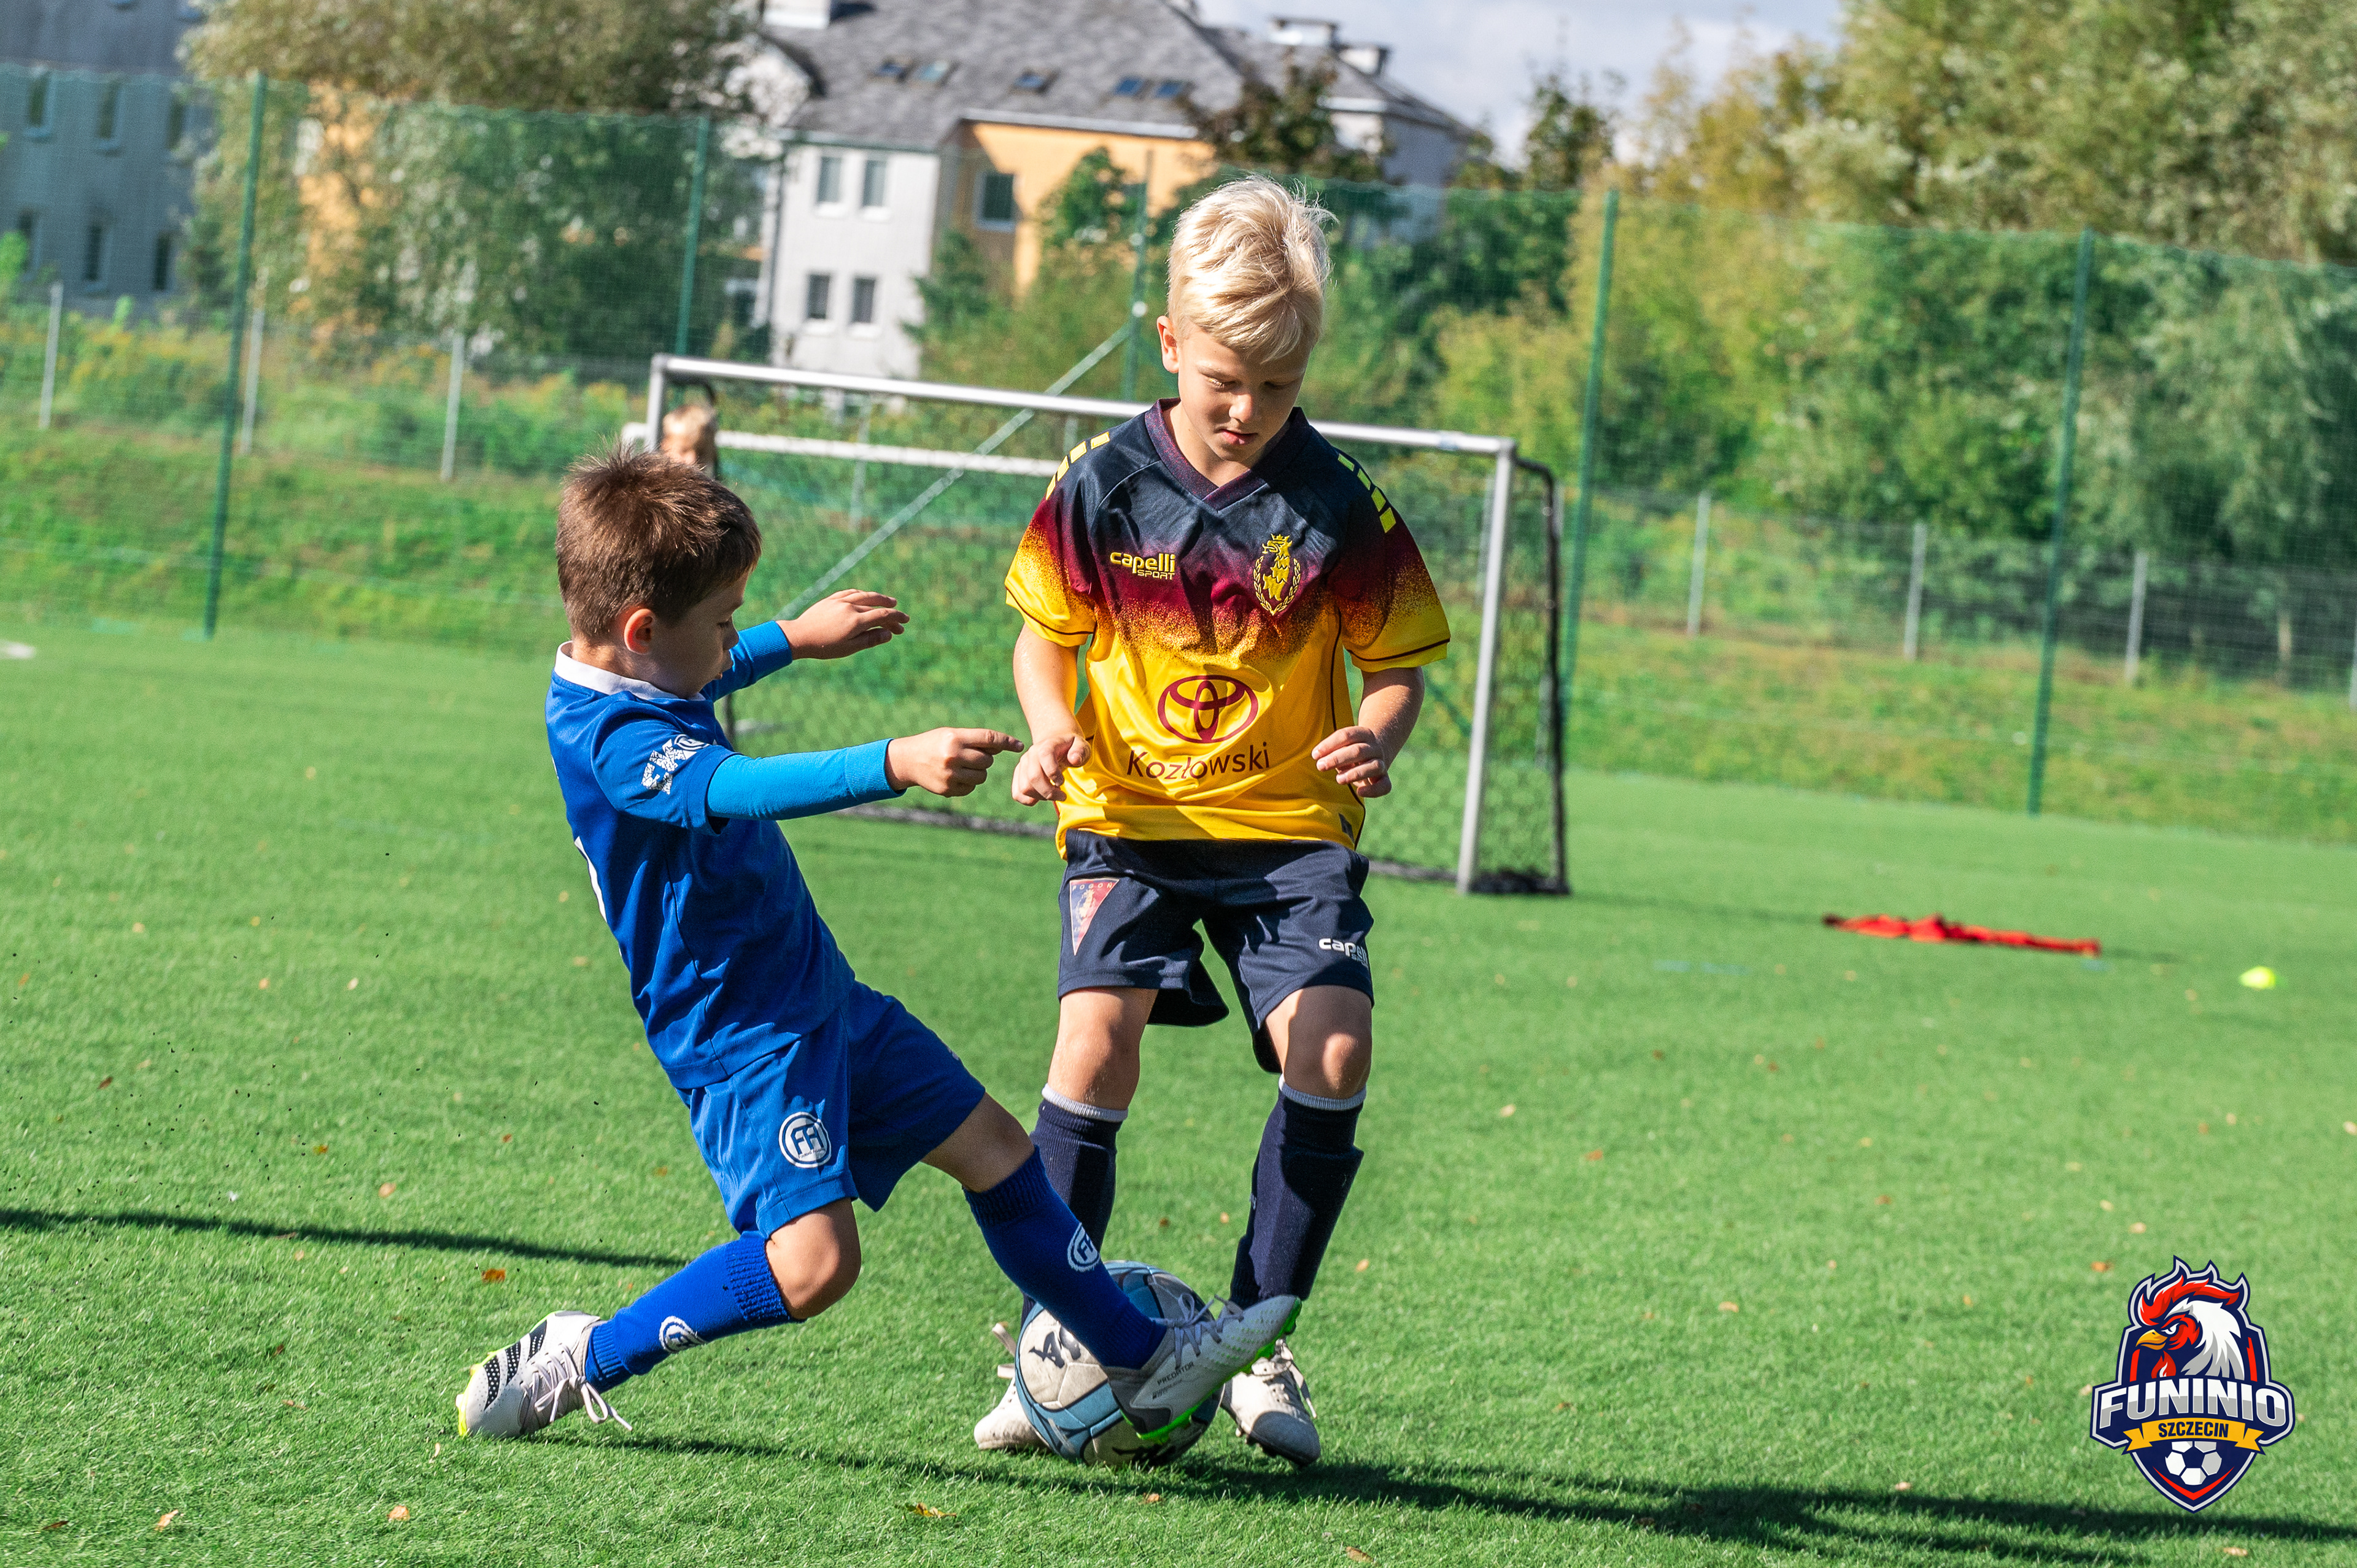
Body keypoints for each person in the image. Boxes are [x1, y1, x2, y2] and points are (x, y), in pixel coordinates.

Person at [454, 447, 1295, 1441]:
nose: (731, 640)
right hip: (745, 1038)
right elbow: (739, 787)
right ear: (641, 632)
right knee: (815, 1267)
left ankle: (1141, 1359)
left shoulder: (636, 674)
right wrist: (894, 760)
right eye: (723, 621)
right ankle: (586, 1355)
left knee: (997, 1151)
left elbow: (694, 671)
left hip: (822, 996)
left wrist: (792, 639)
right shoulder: (607, 740)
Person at [978, 177, 1450, 1467]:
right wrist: (1050, 729)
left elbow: (1399, 667)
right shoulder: (1102, 483)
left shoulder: (1339, 501)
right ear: (1170, 342)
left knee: (1334, 1051)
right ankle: (1054, 1340)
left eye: (1278, 388)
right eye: (1225, 380)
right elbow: (1043, 639)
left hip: (1289, 829)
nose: (1247, 410)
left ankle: (1252, 1339)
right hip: (1128, 814)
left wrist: (1379, 735)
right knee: (1093, 1048)